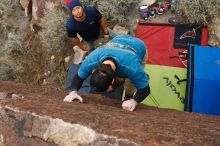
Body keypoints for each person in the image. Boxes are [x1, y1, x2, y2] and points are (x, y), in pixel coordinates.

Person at [63, 35, 150, 111]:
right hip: (118, 39)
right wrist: (73, 92)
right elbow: (79, 77)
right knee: (124, 73)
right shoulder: (92, 59)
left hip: (139, 46)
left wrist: (134, 101)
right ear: (93, 70)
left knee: (130, 83)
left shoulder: (133, 68)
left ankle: (128, 96)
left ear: (112, 81)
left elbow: (145, 90)